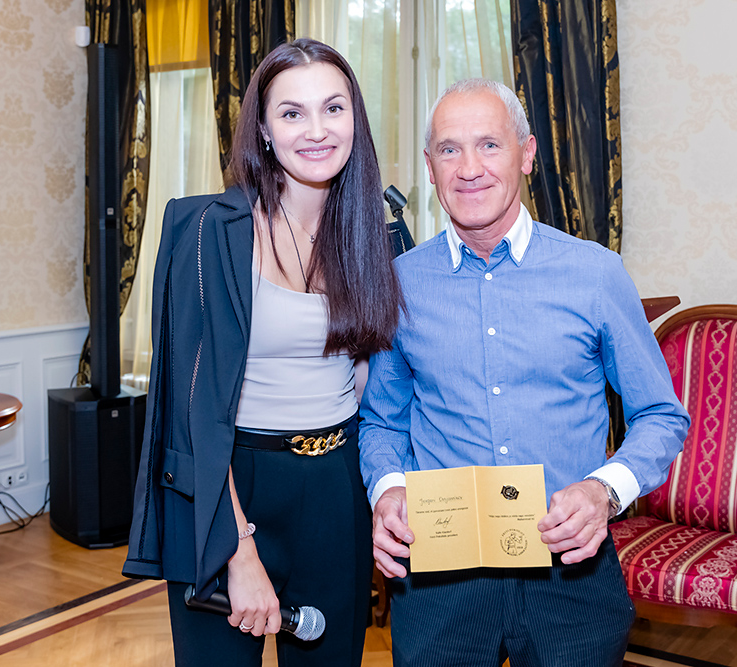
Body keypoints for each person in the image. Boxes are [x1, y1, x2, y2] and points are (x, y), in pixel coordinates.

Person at [359, 78, 690, 667]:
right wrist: (388, 490)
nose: (469, 168)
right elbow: (382, 422)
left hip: (570, 568)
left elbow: (661, 415)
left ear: (527, 153)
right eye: (450, 149)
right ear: (430, 168)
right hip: (440, 573)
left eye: (489, 144)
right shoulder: (399, 284)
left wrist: (604, 491)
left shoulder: (595, 274)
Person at [123, 38, 403, 667]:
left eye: (333, 108)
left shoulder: (378, 236)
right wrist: (236, 549)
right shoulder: (208, 231)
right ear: (265, 130)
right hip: (227, 489)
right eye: (292, 112)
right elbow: (191, 410)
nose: (316, 130)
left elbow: (377, 383)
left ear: (355, 120)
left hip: (336, 488)